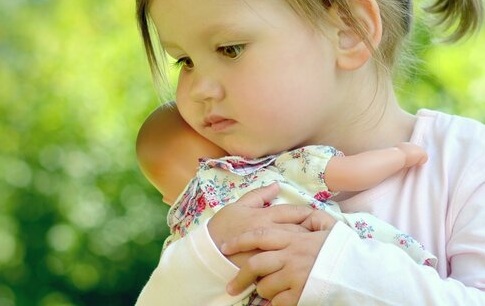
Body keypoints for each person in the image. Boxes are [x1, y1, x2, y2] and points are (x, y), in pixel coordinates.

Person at [134, 0, 485, 305]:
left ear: (349, 31)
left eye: (230, 49)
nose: (198, 90)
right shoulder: (225, 184)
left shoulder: (463, 162)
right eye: (184, 60)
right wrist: (207, 260)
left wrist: (338, 270)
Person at [136, 104, 435, 285]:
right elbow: (350, 172)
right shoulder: (259, 173)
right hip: (326, 270)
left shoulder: (179, 245)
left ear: (167, 199)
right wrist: (400, 155)